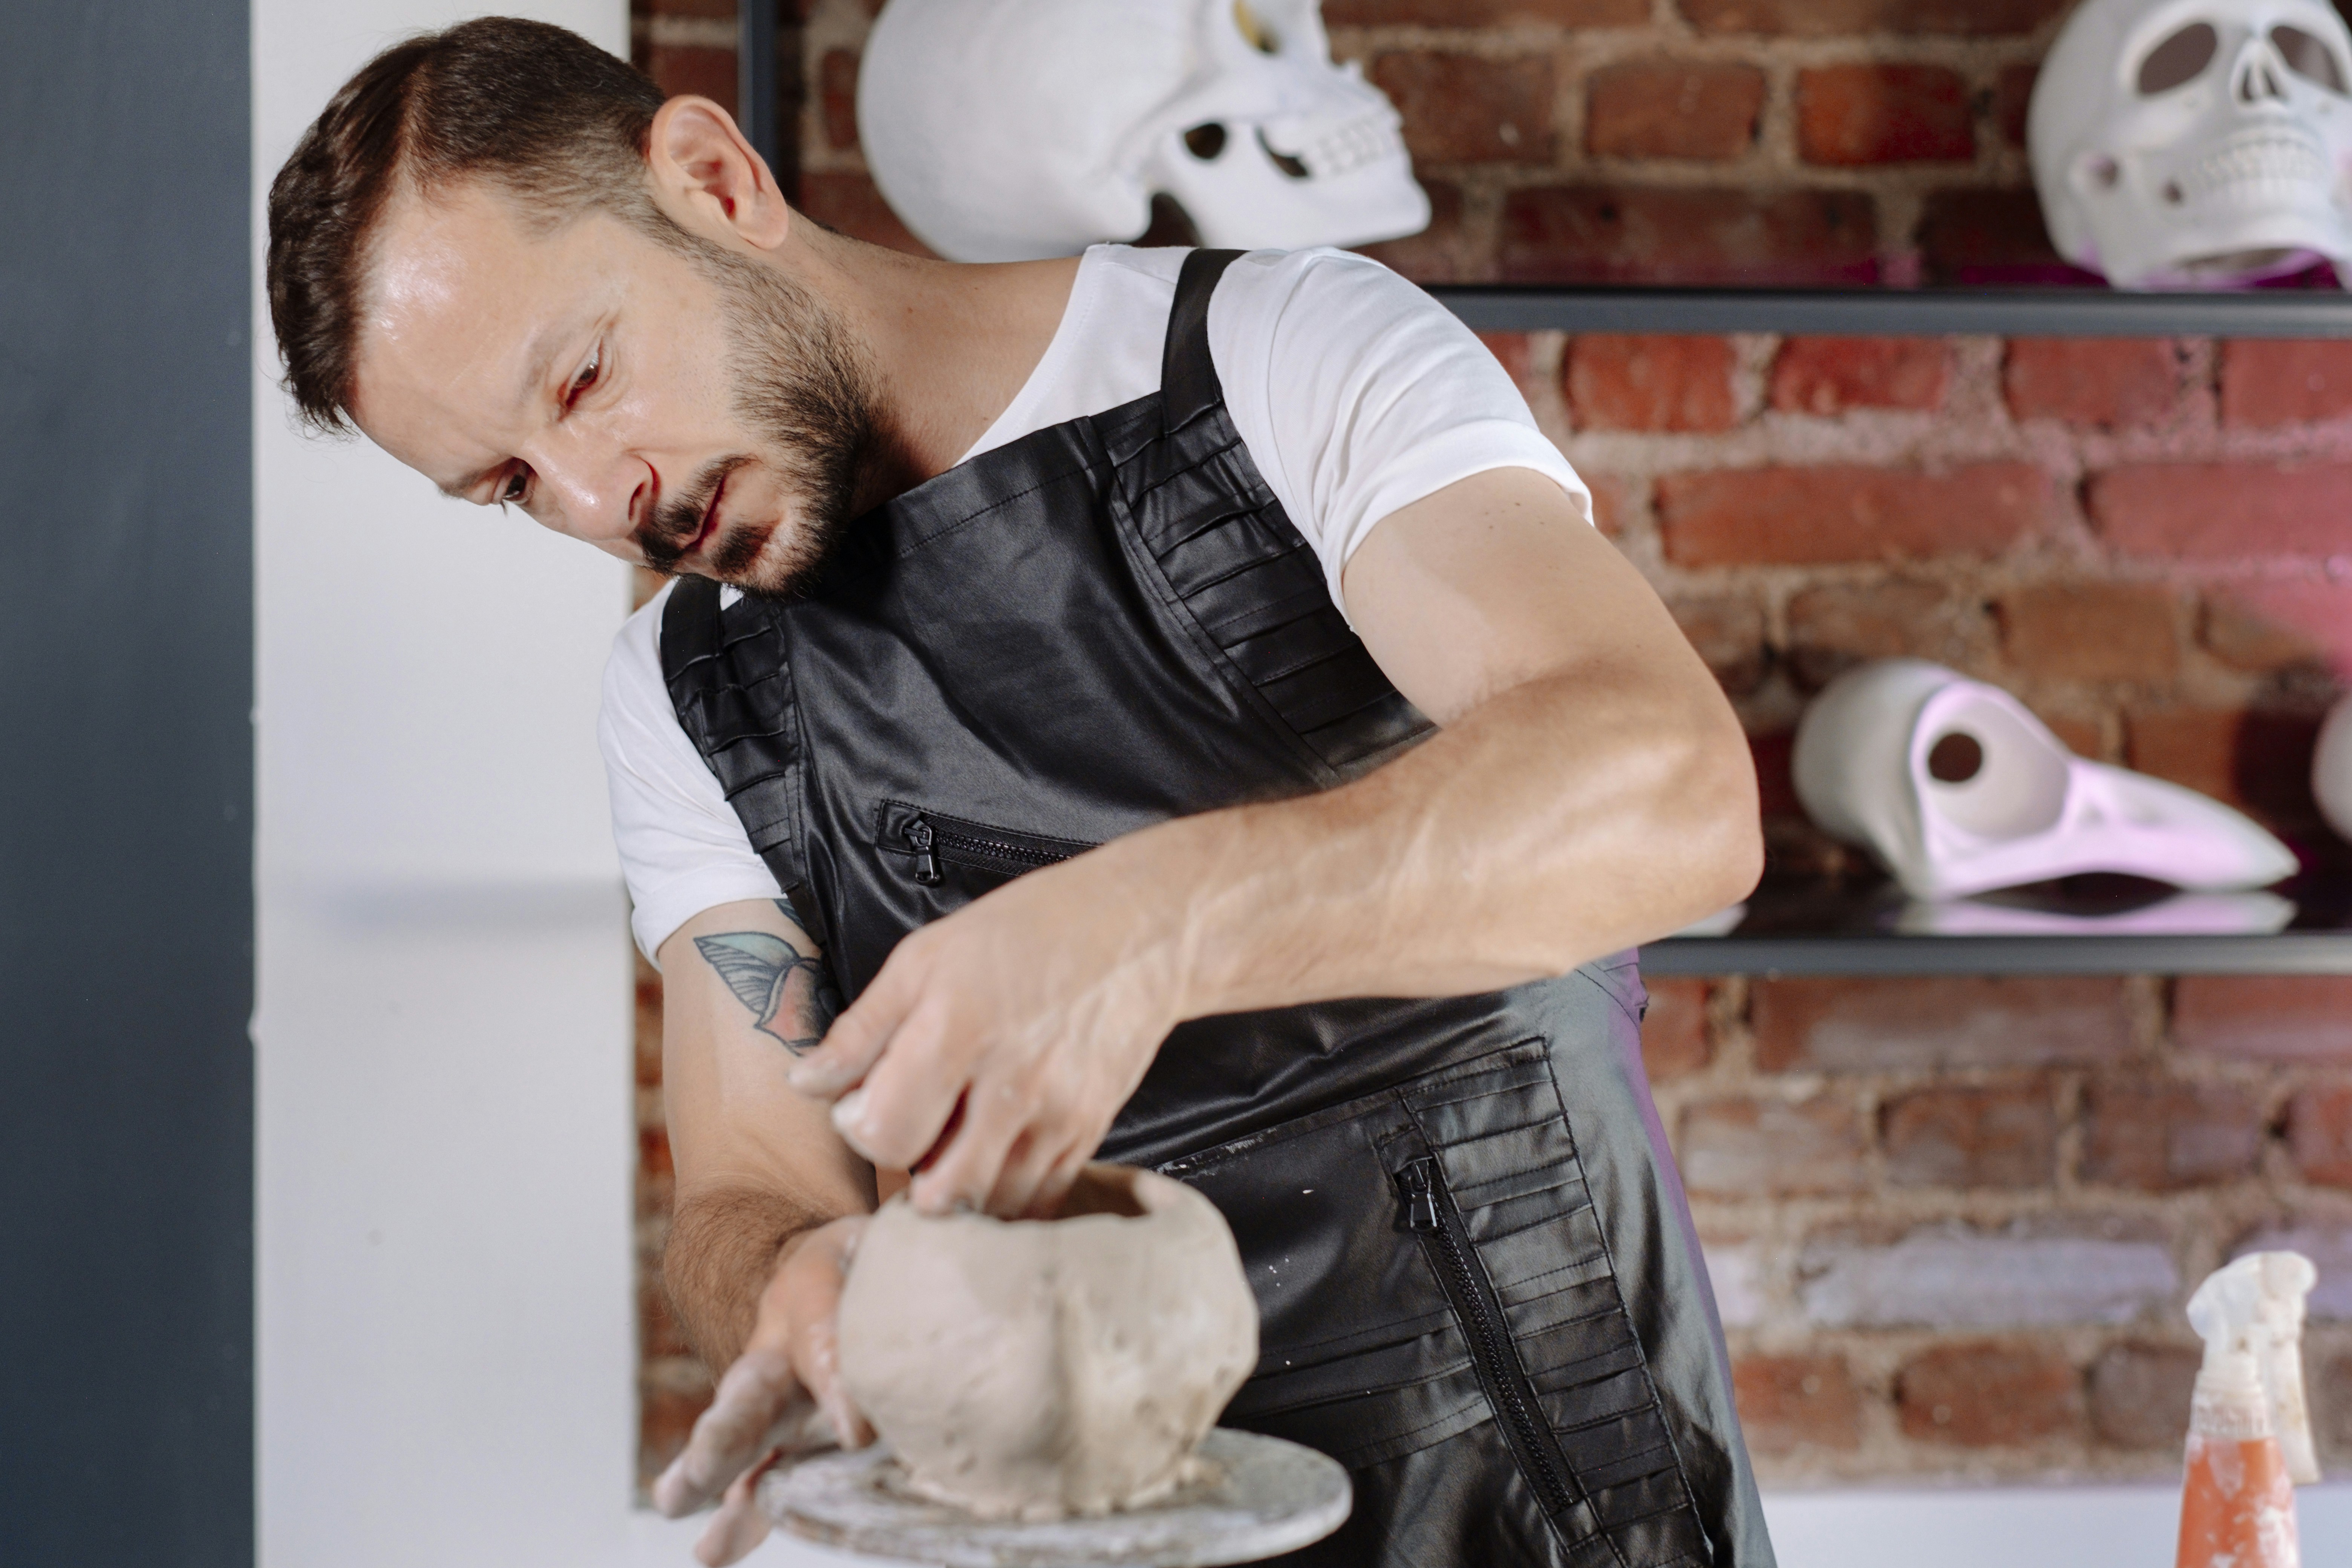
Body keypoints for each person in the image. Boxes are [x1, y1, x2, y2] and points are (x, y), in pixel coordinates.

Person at [266, 18, 1770, 1567]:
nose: (600, 504)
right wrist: (797, 1275)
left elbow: (1672, 785)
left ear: (716, 183)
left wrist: (1150, 925)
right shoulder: (680, 693)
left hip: (1560, 1465)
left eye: (582, 378)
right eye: (511, 486)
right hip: (1079, 1516)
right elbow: (752, 1169)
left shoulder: (1278, 354)